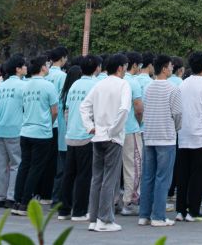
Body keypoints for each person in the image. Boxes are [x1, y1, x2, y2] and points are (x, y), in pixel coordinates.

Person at [85, 53, 131, 232]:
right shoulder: (123, 84)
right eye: (125, 66)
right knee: (110, 179)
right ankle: (105, 220)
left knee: (97, 178)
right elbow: (124, 109)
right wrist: (114, 130)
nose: (126, 69)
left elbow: (84, 106)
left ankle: (93, 218)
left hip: (98, 136)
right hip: (113, 137)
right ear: (120, 68)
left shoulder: (99, 84)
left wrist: (90, 126)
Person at [14, 54, 60, 210]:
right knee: (35, 168)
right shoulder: (48, 86)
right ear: (42, 68)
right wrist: (49, 124)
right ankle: (25, 203)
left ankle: (17, 200)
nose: (48, 67)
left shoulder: (24, 85)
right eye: (47, 65)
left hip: (25, 131)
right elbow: (55, 111)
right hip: (41, 132)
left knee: (24, 166)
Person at [137, 54, 178, 228]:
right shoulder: (172, 88)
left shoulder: (148, 87)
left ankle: (144, 215)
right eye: (171, 66)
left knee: (147, 176)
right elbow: (178, 114)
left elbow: (143, 109)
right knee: (163, 178)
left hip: (149, 135)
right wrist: (176, 128)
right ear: (165, 68)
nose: (172, 68)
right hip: (166, 137)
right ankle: (159, 216)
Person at [175, 52, 202, 221]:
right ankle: (193, 211)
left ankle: (180, 210)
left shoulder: (183, 84)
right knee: (198, 176)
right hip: (200, 136)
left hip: (183, 134)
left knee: (183, 175)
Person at [58, 57, 95, 221]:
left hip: (71, 135)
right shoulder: (94, 86)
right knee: (84, 175)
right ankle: (79, 211)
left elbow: (67, 111)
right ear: (96, 68)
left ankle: (64, 210)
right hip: (86, 135)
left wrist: (70, 127)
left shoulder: (74, 85)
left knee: (69, 174)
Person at [0, 56, 27, 210]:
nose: (26, 68)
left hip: (0, 129)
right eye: (24, 66)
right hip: (16, 129)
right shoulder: (23, 86)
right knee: (16, 164)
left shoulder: (0, 86)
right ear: (18, 69)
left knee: (0, 165)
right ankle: (11, 196)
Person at [120, 52, 148, 217]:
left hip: (114, 130)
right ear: (135, 65)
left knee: (115, 168)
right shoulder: (133, 82)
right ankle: (130, 201)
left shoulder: (115, 81)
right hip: (130, 129)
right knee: (133, 166)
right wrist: (139, 122)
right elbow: (138, 107)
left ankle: (115, 200)